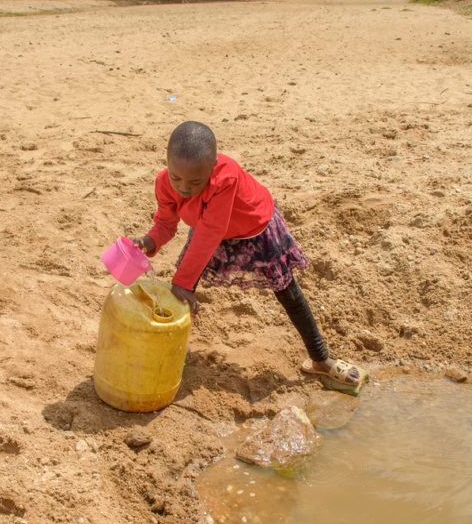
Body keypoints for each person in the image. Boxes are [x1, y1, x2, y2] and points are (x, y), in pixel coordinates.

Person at [132, 121, 367, 392]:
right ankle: (164, 350)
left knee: (286, 290)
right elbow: (166, 222)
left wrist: (182, 280)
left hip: (253, 227)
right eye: (177, 178)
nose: (184, 187)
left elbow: (210, 230)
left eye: (195, 181)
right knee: (183, 292)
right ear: (167, 165)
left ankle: (320, 358)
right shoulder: (164, 182)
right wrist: (150, 241)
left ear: (212, 166)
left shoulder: (226, 177)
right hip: (209, 226)